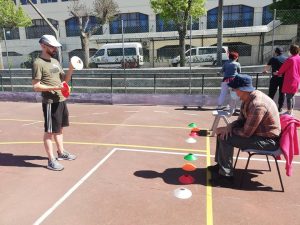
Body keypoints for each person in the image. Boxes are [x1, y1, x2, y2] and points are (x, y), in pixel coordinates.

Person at [208, 74, 281, 186]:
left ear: (242, 89)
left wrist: (227, 131)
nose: (232, 91)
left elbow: (246, 133)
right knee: (223, 133)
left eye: (234, 89)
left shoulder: (257, 105)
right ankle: (222, 165)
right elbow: (241, 120)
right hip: (258, 135)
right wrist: (230, 126)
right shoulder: (247, 98)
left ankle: (226, 177)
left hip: (268, 141)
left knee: (225, 137)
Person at [32, 34, 76, 171]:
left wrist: (71, 68)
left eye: (55, 46)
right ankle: (51, 160)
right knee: (49, 132)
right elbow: (36, 86)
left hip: (61, 100)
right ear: (43, 46)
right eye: (52, 46)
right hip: (50, 102)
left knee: (60, 128)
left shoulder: (55, 62)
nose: (55, 48)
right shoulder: (38, 63)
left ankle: (61, 153)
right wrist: (56, 88)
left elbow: (64, 80)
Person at [275, 44, 300, 115]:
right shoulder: (299, 58)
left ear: (291, 51)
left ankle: (289, 111)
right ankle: (291, 110)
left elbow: (283, 68)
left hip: (290, 79)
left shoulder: (290, 59)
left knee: (289, 97)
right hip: (297, 79)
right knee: (292, 96)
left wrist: (278, 72)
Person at [263, 47, 287, 112]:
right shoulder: (286, 59)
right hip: (283, 79)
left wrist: (265, 71)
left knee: (271, 93)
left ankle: (269, 107)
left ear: (275, 52)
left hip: (275, 78)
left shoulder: (273, 58)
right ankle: (280, 107)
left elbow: (266, 68)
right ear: (282, 52)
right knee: (282, 94)